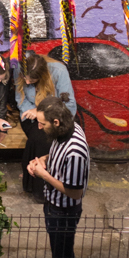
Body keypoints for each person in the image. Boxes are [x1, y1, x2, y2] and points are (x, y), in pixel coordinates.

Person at [26, 95, 89, 258]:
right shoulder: (65, 131)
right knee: (59, 255)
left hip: (63, 211)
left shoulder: (76, 151)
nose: (39, 127)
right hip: (53, 205)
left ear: (55, 122)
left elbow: (74, 192)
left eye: (42, 123)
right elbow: (55, 156)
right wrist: (42, 160)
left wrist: (43, 175)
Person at [15, 51, 75, 200]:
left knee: (44, 138)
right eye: (25, 78)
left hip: (54, 116)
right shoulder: (20, 68)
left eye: (32, 80)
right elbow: (20, 99)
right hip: (30, 115)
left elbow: (69, 106)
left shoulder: (59, 71)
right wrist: (32, 112)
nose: (27, 82)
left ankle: (41, 189)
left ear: (42, 76)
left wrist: (41, 113)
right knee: (37, 136)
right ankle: (31, 183)